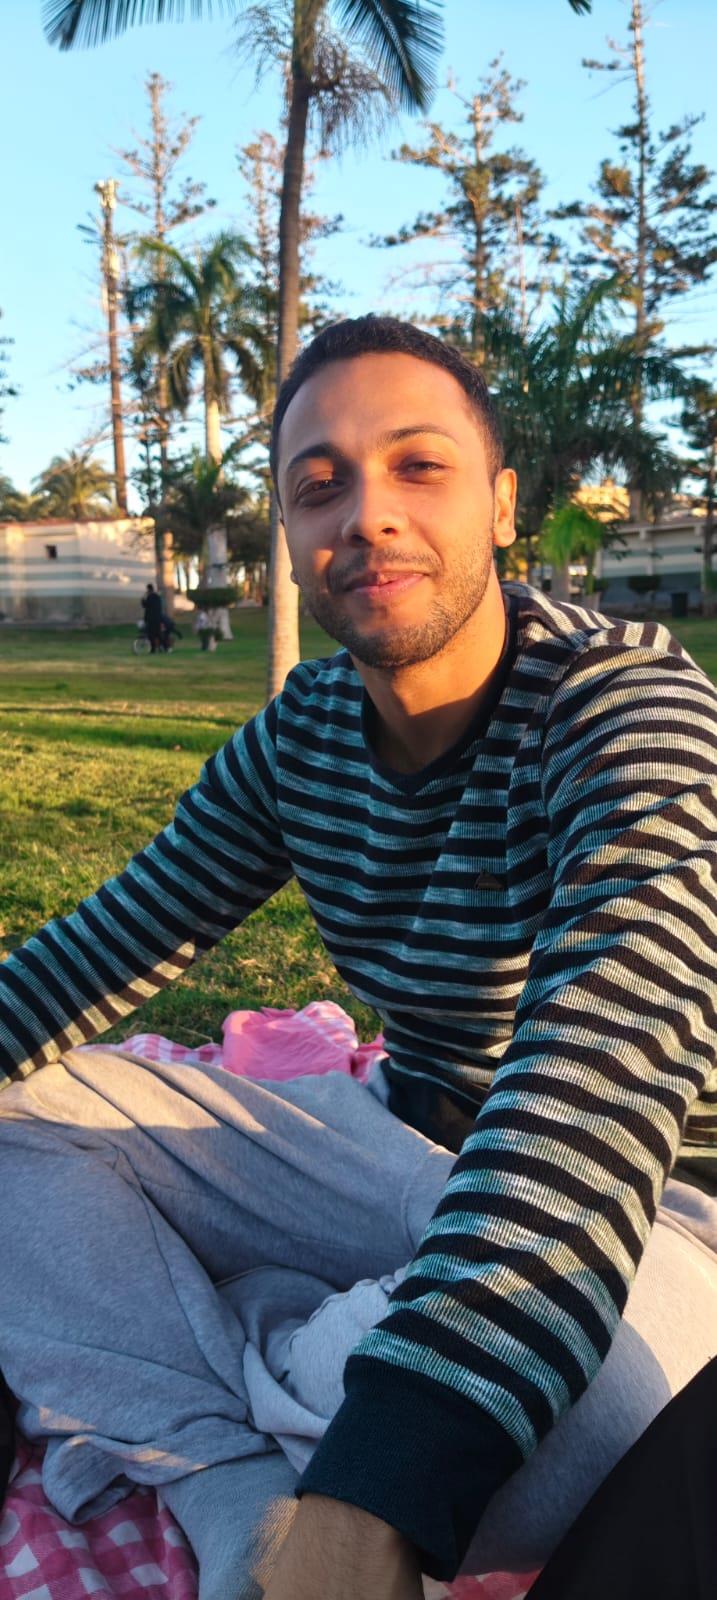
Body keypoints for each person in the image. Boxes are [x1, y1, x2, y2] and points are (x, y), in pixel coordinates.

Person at [0, 315, 716, 1600]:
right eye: (319, 483)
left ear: (503, 504)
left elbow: (603, 1078)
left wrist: (385, 1482)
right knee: (15, 1116)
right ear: (288, 532)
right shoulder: (303, 740)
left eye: (418, 466)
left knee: (593, 1414)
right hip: (389, 1143)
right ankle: (234, 1474)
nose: (367, 514)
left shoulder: (627, 710)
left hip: (643, 1212)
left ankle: (222, 1343)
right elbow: (90, 956)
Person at [141, 581, 164, 653]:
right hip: (157, 618)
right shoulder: (157, 597)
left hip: (151, 619)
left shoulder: (150, 597)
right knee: (158, 634)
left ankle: (153, 649)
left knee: (151, 635)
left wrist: (143, 599)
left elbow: (145, 605)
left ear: (148, 589)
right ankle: (163, 647)